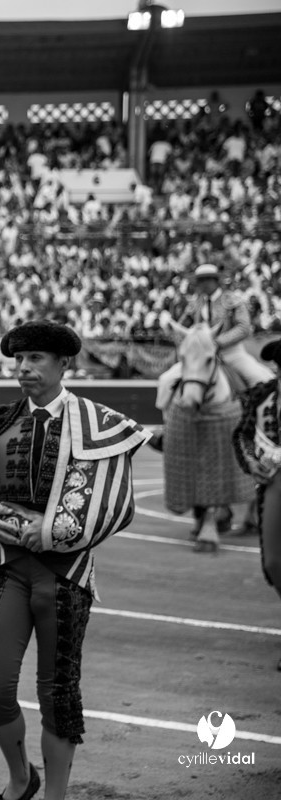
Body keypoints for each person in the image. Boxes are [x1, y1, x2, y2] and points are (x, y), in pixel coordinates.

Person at [0, 320, 150, 800]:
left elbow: (112, 504)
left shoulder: (92, 421)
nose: (23, 368)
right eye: (19, 359)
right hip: (10, 566)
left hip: (68, 572)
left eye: (36, 359)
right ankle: (22, 779)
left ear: (64, 364)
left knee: (57, 693)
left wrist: (60, 530)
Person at [157, 263, 274, 406]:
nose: (203, 283)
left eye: (208, 279)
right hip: (201, 357)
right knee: (165, 381)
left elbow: (244, 327)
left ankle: (260, 424)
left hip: (231, 353)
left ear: (216, 281)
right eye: (200, 280)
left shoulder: (232, 299)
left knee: (263, 381)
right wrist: (173, 331)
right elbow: (184, 327)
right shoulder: (195, 303)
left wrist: (218, 342)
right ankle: (169, 422)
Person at [231, 339, 281, 670]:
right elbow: (242, 436)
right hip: (276, 481)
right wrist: (253, 464)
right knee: (276, 562)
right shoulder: (264, 395)